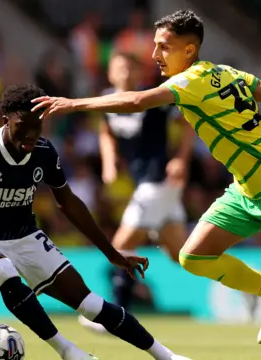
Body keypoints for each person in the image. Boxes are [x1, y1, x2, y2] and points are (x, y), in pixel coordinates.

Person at [31, 10, 261, 360]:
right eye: (155, 46)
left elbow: (135, 101)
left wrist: (74, 103)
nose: (155, 55)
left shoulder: (188, 82)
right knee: (193, 256)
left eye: (165, 47)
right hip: (246, 190)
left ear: (190, 51)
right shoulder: (225, 73)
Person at [0, 84, 191, 360]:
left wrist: (113, 254)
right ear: (6, 120)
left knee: (91, 304)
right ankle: (68, 351)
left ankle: (166, 356)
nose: (30, 135)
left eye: (38, 126)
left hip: (26, 238)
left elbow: (69, 203)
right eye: (23, 126)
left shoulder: (43, 152)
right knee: (3, 269)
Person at [78, 52, 193, 332]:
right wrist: (108, 161)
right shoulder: (108, 100)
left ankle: (114, 318)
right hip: (148, 185)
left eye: (131, 67)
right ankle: (247, 289)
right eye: (119, 67)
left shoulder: (151, 98)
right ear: (110, 74)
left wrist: (180, 159)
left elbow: (187, 123)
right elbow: (106, 131)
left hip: (159, 182)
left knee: (121, 247)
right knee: (186, 256)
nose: (125, 72)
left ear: (140, 73)